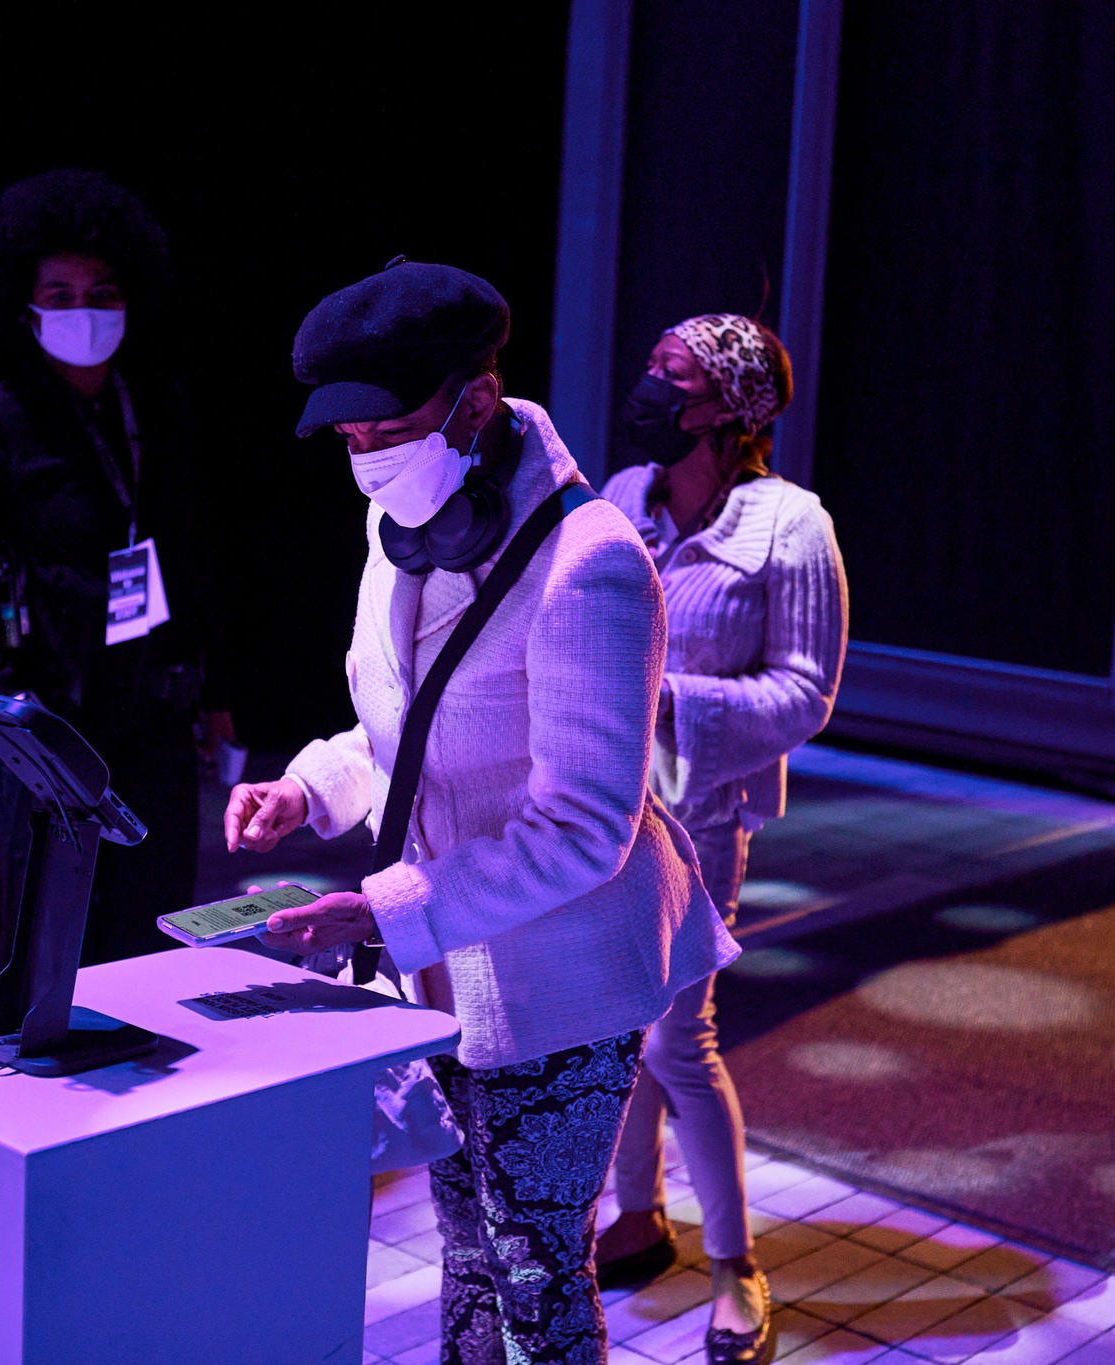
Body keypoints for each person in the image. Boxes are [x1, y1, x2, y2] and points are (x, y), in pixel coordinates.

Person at [224, 259, 738, 1365]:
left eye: (383, 428)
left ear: (471, 398)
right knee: (463, 1246)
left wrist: (380, 909)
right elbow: (397, 733)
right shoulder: (400, 530)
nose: (364, 459)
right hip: (447, 960)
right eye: (346, 440)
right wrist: (306, 787)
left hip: (565, 969)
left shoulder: (588, 562)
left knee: (534, 1260)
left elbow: (583, 829)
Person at [594, 315, 847, 1363]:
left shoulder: (791, 527)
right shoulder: (619, 499)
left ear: (734, 411)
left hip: (698, 820)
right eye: (651, 367)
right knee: (617, 1026)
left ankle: (734, 1265)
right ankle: (639, 1217)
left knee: (675, 1041)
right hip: (601, 816)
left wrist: (670, 704)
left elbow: (805, 692)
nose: (651, 388)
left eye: (677, 378)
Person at [0, 169, 232, 967]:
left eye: (100, 291)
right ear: (24, 308)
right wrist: (6, 713)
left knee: (155, 924)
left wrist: (216, 698)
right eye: (58, 295)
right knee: (49, 933)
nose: (83, 311)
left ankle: (158, 1080)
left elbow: (194, 560)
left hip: (156, 716)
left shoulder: (161, 411)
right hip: (50, 721)